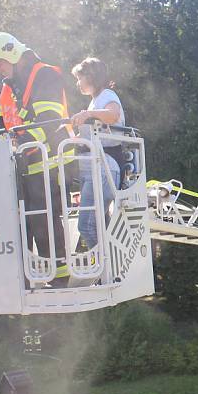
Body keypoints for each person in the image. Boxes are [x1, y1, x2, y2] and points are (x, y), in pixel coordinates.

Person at [0, 32, 73, 287]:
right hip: (27, 159)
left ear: (11, 54)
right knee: (27, 217)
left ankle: (59, 276)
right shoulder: (12, 85)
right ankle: (32, 274)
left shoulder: (44, 75)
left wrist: (17, 143)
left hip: (52, 159)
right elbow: (1, 118)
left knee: (43, 215)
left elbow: (49, 121)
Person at [70, 57, 125, 250]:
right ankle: (109, 269)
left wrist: (88, 114)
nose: (77, 83)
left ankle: (106, 269)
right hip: (95, 166)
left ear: (91, 77)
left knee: (87, 225)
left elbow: (113, 114)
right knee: (100, 225)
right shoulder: (95, 102)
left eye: (79, 77)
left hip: (105, 166)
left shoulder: (107, 95)